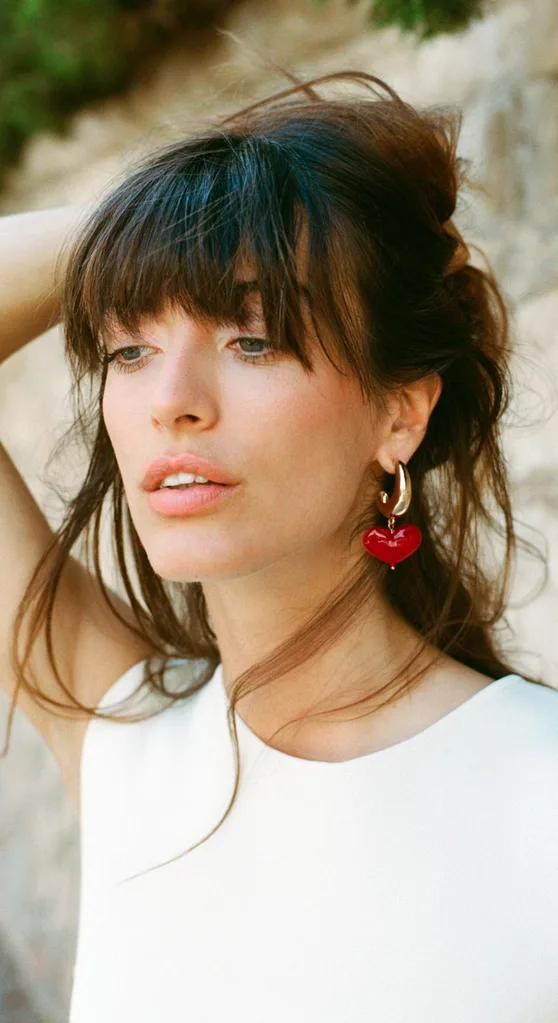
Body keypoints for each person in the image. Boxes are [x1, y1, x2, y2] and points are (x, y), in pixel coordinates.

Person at [1, 68, 558, 1022]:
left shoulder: (535, 793)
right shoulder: (125, 746)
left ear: (399, 414)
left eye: (251, 338)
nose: (172, 397)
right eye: (130, 348)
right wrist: (161, 213)